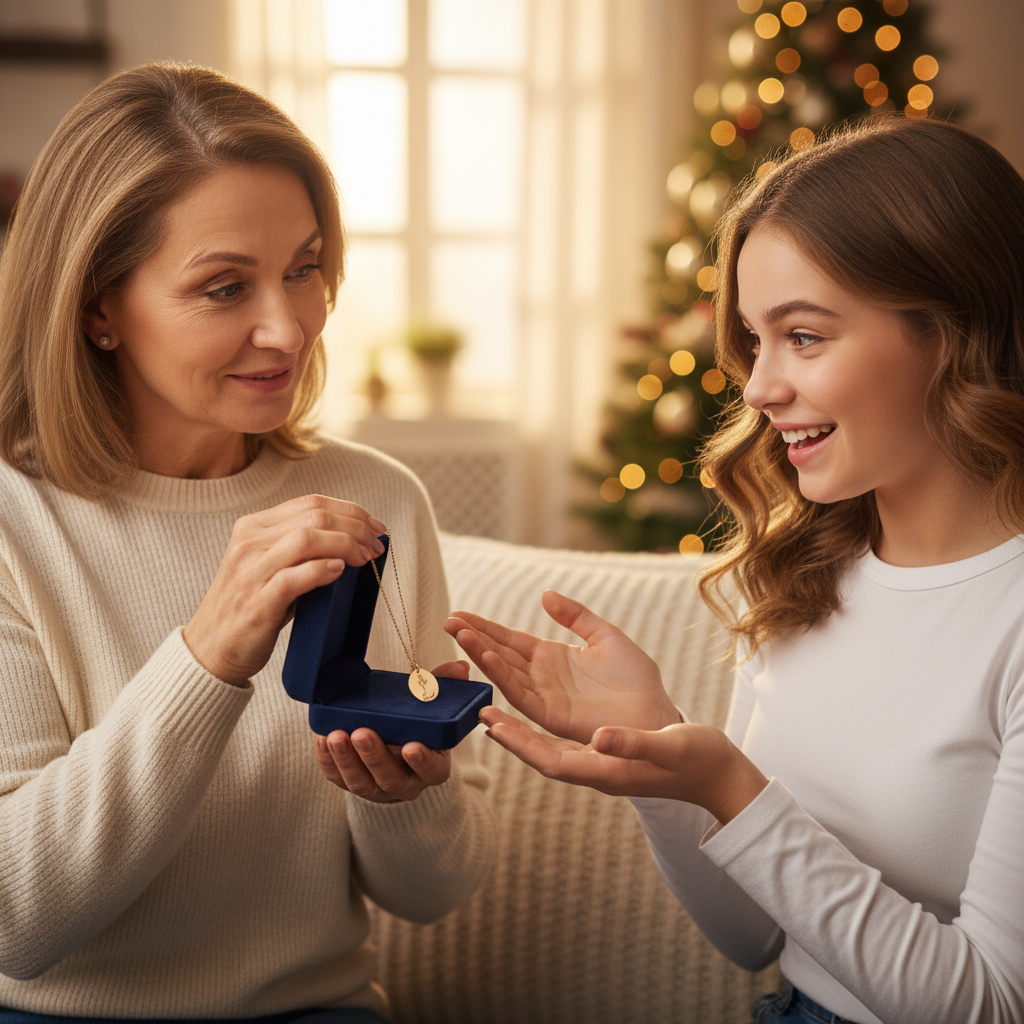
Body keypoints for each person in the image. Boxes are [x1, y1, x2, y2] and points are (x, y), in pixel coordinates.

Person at [446, 115, 1024, 1024]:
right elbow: (754, 938)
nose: (757, 388)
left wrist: (733, 790)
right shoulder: (800, 575)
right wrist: (661, 758)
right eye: (755, 340)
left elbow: (991, 1004)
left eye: (805, 336)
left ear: (954, 331)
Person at [0, 62, 493, 1023]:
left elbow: (435, 895)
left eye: (305, 269)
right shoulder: (15, 522)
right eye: (225, 287)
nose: (289, 327)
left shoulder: (374, 496)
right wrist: (208, 653)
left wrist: (408, 796)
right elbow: (16, 918)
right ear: (98, 307)